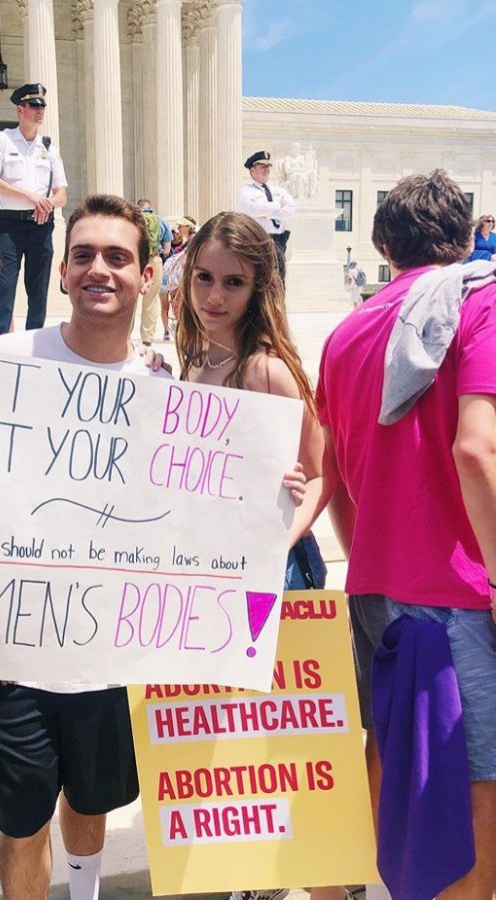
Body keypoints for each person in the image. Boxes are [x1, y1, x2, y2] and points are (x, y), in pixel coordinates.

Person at [0, 194, 170, 900]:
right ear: (60, 270)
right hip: (13, 648)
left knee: (91, 803)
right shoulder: (3, 360)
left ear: (147, 275)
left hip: (107, 644)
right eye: (84, 255)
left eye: (118, 257)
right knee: (22, 818)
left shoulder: (159, 384)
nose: (100, 270)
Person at [317, 169, 496, 899]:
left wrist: (373, 554)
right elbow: (475, 450)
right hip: (454, 594)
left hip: (374, 587)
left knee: (397, 765)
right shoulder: (478, 304)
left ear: (381, 244)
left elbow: (334, 475)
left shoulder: (344, 333)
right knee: (475, 787)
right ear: (464, 235)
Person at [177, 211, 363, 900]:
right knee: (237, 738)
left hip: (272, 578)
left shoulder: (265, 369)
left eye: (232, 281)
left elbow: (321, 471)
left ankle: (325, 886)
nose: (213, 295)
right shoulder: (194, 358)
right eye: (203, 277)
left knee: (287, 740)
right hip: (210, 574)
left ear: (258, 287)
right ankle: (261, 872)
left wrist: (275, 541)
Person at [0, 82, 68, 336]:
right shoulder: (3, 140)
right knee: (5, 288)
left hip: (41, 224)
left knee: (38, 290)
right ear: (20, 110)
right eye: (33, 105)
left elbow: (62, 193)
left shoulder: (49, 148)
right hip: (9, 225)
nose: (39, 110)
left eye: (41, 106)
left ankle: (34, 343)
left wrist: (47, 203)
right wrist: (31, 196)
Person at [236, 151, 295, 284]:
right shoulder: (245, 191)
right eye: (262, 167)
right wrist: (277, 205)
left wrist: (265, 212)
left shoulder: (279, 190)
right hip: (257, 241)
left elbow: (290, 210)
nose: (267, 170)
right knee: (260, 282)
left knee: (278, 282)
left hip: (279, 241)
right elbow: (250, 210)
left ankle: (278, 305)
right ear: (252, 170)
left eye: (268, 167)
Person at [134, 198, 172, 345]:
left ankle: (125, 335)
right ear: (150, 208)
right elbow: (167, 248)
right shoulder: (161, 221)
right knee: (151, 300)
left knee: (131, 299)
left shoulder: (133, 219)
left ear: (138, 207)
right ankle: (147, 338)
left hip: (136, 260)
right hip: (155, 260)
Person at [160, 215, 197, 340]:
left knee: (177, 306)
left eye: (181, 226)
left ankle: (179, 333)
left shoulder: (193, 239)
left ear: (188, 227)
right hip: (176, 278)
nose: (178, 228)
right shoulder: (189, 240)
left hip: (179, 278)